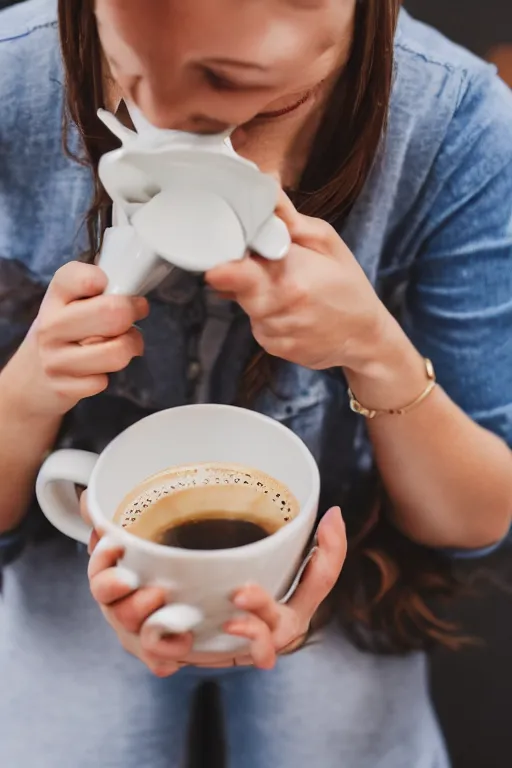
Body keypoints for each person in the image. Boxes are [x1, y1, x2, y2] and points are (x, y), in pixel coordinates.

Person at [0, 0, 511, 766]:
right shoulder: (13, 78)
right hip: (65, 553)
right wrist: (29, 389)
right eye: (127, 72)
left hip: (349, 559)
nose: (164, 126)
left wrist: (377, 352)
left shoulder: (460, 125)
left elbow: (478, 517)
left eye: (234, 86)